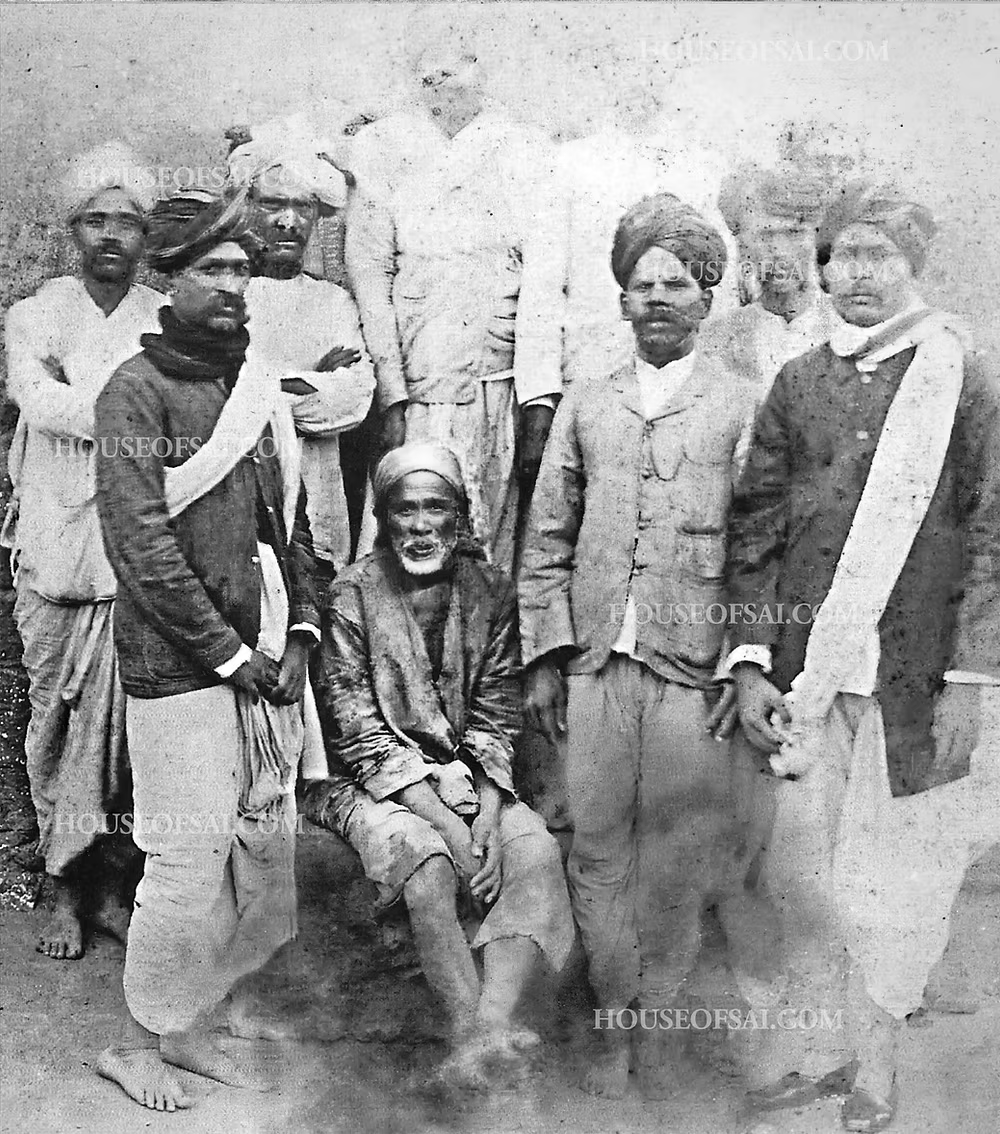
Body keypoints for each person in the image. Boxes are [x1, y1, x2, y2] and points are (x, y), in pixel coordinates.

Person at [725, 182, 1000, 1131]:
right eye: (844, 255)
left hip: (916, 681)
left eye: (880, 256)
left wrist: (973, 677)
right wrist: (754, 658)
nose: (858, 274)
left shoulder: (961, 375)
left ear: (913, 263)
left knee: (894, 877)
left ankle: (878, 1071)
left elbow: (993, 531)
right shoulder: (801, 381)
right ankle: (818, 1051)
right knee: (803, 873)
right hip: (812, 670)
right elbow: (755, 524)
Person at [519, 193, 753, 1101]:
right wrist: (545, 655)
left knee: (677, 850)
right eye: (642, 283)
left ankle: (658, 1025)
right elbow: (545, 540)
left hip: (690, 665)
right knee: (598, 846)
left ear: (707, 299)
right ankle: (617, 1018)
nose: (658, 297)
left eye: (678, 284)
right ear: (621, 299)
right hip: (595, 665)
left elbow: (760, 547)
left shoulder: (742, 405)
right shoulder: (588, 401)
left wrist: (744, 659)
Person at [92, 194, 322, 1111]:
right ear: (169, 278)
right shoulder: (134, 393)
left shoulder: (256, 383)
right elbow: (139, 545)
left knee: (255, 852)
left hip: (271, 651)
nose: (235, 285)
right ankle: (136, 1042)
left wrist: (300, 630)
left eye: (240, 269)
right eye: (212, 270)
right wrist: (231, 657)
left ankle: (189, 1026)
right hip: (179, 666)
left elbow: (295, 525)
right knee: (185, 858)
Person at [302, 442, 574, 1092]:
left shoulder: (490, 591)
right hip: (365, 782)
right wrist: (452, 829)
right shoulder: (350, 596)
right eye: (405, 510)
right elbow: (359, 735)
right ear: (384, 517)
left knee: (533, 853)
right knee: (426, 867)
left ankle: (484, 1033)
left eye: (435, 508)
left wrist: (485, 811)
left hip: (467, 774)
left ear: (459, 516)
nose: (421, 525)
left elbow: (496, 712)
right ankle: (472, 1039)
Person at [3, 141, 161, 959]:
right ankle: (66, 891)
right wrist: (124, 399)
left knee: (128, 735)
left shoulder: (160, 322)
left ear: (144, 238)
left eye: (126, 222)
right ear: (73, 228)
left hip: (128, 561)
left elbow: (170, 420)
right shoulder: (36, 313)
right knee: (56, 728)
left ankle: (113, 889)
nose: (110, 235)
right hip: (53, 555)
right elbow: (39, 399)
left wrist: (88, 386)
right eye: (96, 219)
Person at [345, 17, 551, 569]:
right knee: (412, 534)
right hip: (417, 384)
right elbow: (369, 271)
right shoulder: (382, 146)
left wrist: (537, 402)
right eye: (433, 62)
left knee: (493, 552)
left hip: (498, 385)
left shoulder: (525, 148)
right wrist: (390, 393)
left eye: (464, 58)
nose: (447, 74)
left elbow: (542, 285)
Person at [513, 74, 738, 485]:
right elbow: (542, 289)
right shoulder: (568, 163)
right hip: (591, 369)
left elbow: (718, 286)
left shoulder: (701, 166)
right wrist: (539, 399)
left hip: (680, 372)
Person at [228, 142, 376, 581]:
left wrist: (263, 386)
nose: (288, 221)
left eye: (302, 207)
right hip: (243, 501)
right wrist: (316, 376)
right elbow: (220, 396)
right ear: (249, 208)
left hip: (320, 498)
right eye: (273, 205)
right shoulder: (226, 296)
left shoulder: (334, 303)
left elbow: (354, 399)